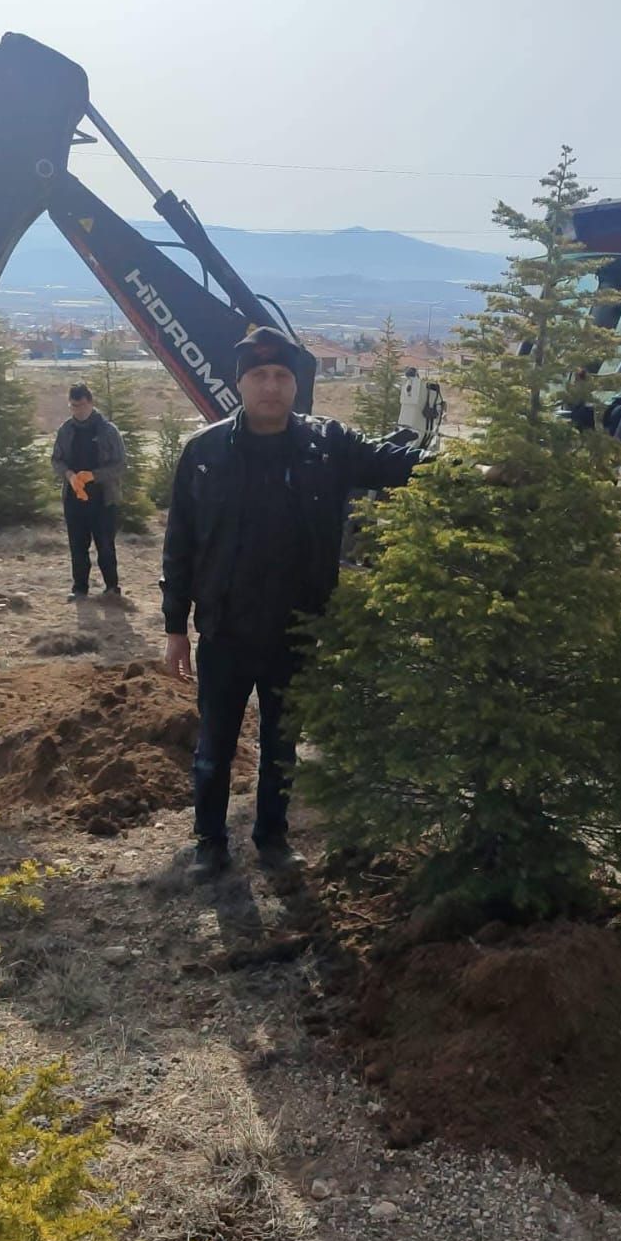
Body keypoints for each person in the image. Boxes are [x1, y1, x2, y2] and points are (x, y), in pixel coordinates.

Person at [162, 324, 422, 880]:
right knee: (214, 747)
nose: (272, 386)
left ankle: (272, 839)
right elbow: (179, 544)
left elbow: (392, 462)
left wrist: (471, 472)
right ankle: (209, 843)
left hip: (296, 630)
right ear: (240, 383)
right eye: (259, 375)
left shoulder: (325, 445)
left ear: (297, 385)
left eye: (282, 375)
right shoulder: (204, 453)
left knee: (282, 745)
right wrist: (174, 626)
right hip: (226, 631)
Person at [51, 383, 126, 600]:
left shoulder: (108, 431)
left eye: (82, 405)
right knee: (77, 546)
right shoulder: (66, 430)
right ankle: (80, 589)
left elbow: (121, 465)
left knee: (105, 545)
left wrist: (94, 475)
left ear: (91, 403)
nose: (78, 410)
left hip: (103, 498)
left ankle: (112, 588)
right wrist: (70, 476)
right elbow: (56, 460)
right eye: (73, 406)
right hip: (74, 499)